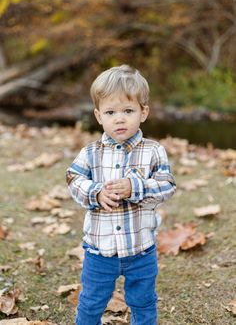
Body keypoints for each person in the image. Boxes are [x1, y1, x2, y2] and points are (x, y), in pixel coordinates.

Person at [66, 64, 176, 325]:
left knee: (144, 300)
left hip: (141, 248)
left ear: (143, 112)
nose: (119, 118)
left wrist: (134, 187)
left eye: (128, 111)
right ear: (98, 116)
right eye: (111, 112)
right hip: (99, 250)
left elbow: (167, 185)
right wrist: (95, 193)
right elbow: (73, 178)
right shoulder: (90, 153)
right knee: (92, 301)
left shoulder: (153, 151)